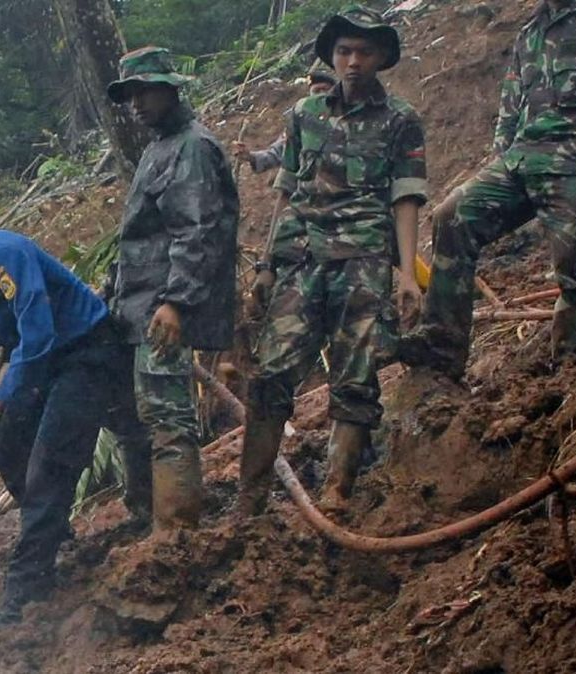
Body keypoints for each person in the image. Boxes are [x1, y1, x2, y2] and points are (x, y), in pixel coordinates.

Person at [0, 186, 155, 624]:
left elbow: (38, 332)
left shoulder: (5, 255)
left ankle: (24, 594)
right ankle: (59, 539)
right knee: (11, 452)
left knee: (50, 468)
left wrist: (2, 392)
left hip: (86, 353)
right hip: (42, 363)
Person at [236, 5, 428, 517]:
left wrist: (407, 275)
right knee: (271, 375)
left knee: (355, 377)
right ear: (332, 56)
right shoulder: (304, 115)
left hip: (363, 260)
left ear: (381, 57)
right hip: (302, 259)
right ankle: (249, 503)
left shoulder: (400, 120)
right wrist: (267, 265)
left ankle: (338, 492)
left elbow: (406, 198)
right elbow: (286, 193)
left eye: (364, 52)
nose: (353, 62)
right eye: (344, 51)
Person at [401, 0, 576, 376]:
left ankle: (570, 367)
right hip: (520, 160)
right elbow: (511, 101)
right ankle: (441, 351)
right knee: (452, 216)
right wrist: (500, 157)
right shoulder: (529, 32)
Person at [105, 46, 239, 529]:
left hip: (162, 309)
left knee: (168, 420)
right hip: (140, 307)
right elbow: (142, 238)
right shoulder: (158, 148)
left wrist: (176, 303)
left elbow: (196, 232)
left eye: (145, 92)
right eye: (130, 95)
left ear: (170, 89)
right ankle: (152, 521)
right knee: (144, 418)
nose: (136, 104)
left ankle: (177, 534)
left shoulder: (192, 147)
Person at [231, 70, 338, 174]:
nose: (321, 95)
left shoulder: (344, 115)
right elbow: (279, 152)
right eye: (316, 91)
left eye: (325, 89)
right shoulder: (301, 122)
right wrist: (251, 157)